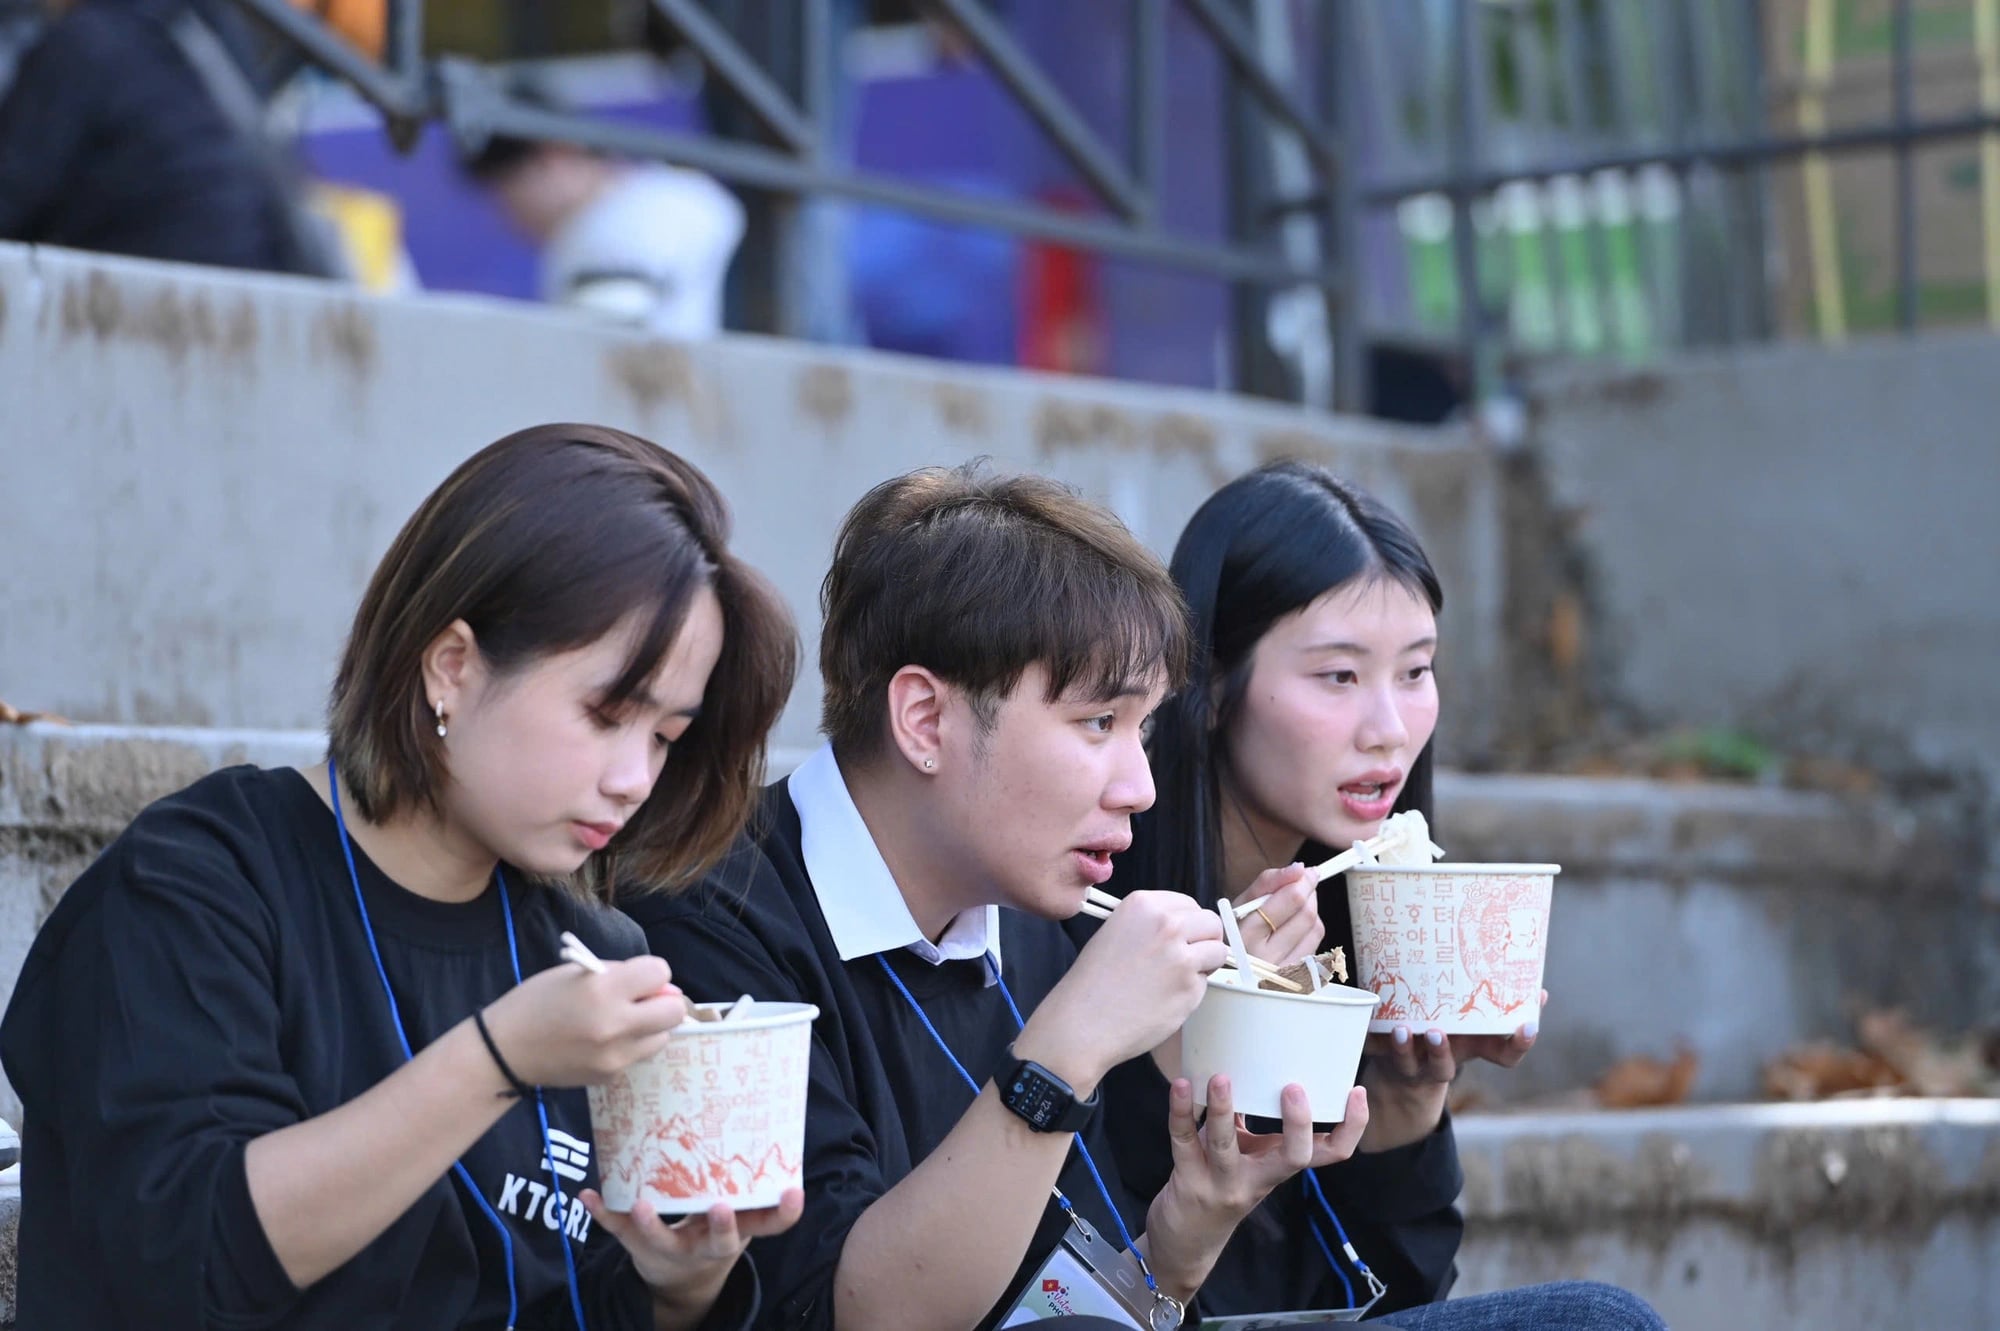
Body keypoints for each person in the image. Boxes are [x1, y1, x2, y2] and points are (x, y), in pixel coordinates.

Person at [0, 423, 802, 1329]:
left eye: (665, 736)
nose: (634, 777)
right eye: (606, 712)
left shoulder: (593, 949)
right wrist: (497, 1059)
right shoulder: (196, 885)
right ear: (451, 666)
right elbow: (191, 1261)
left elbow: (569, 1299)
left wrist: (680, 1284)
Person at [622, 463, 1374, 1331]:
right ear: (926, 720)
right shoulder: (704, 920)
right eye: (1099, 722)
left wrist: (1183, 1235)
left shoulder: (1025, 911)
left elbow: (1052, 1316)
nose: (1141, 785)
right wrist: (1067, 1046)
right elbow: (847, 1313)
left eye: (1147, 729)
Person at [1107, 460, 1665, 1328]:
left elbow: (1392, 1306)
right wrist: (1213, 1017)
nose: (1390, 729)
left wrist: (1405, 1108)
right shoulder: (1094, 914)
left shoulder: (1344, 929)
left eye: (1415, 671)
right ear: (1210, 686)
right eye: (1339, 676)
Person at [0, 0, 339, 276]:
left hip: (149, 313)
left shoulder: (83, 44)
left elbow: (9, 199)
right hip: (263, 289)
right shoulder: (208, 28)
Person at [463, 104, 744, 340]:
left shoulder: (609, 230)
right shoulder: (676, 190)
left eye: (508, 192)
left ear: (554, 155)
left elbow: (596, 359)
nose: (510, 218)